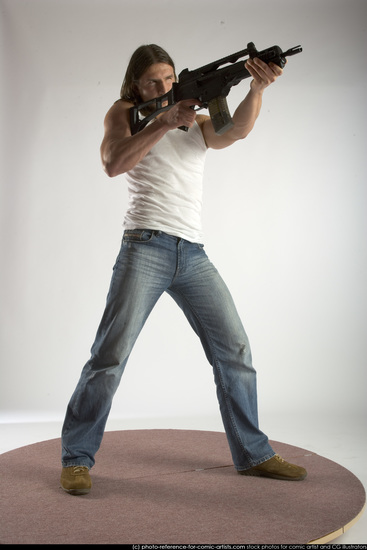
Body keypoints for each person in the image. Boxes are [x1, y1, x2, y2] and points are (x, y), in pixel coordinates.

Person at [60, 44, 307, 495]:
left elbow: (234, 132)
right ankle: (76, 459)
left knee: (234, 350)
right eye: (153, 82)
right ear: (136, 85)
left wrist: (257, 87)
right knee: (109, 357)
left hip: (193, 253)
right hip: (145, 246)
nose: (164, 88)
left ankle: (254, 455)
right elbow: (113, 163)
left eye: (170, 80)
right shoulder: (127, 112)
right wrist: (161, 121)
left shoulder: (195, 117)